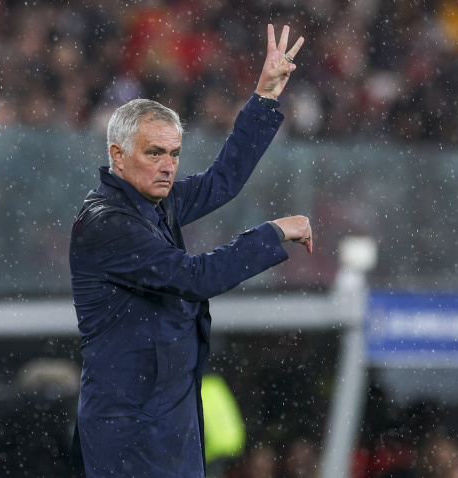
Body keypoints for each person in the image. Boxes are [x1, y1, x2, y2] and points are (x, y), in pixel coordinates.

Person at [69, 24, 311, 477]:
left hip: (169, 417)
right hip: (129, 428)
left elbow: (223, 181)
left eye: (175, 154)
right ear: (117, 156)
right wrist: (272, 234)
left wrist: (263, 98)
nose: (168, 167)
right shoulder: (107, 224)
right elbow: (195, 278)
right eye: (155, 153)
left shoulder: (156, 200)